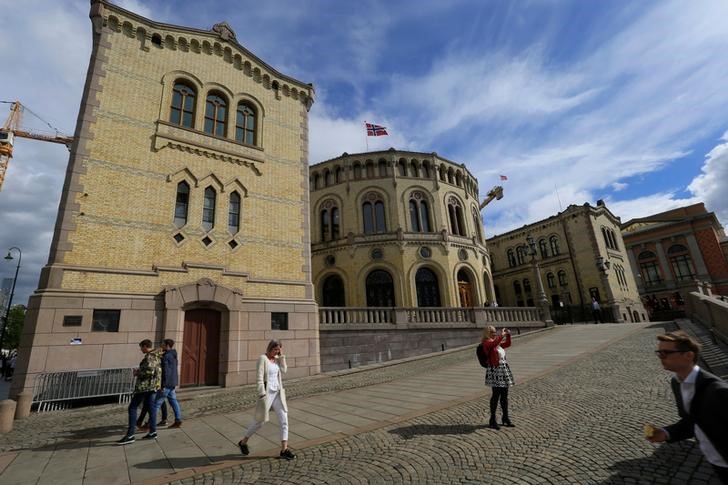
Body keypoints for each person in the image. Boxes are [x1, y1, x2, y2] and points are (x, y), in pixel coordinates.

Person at [646, 330, 728, 483]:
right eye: (659, 353)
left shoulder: (718, 390)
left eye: (666, 353)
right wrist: (666, 433)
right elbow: (692, 421)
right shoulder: (676, 383)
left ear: (689, 355)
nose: (661, 357)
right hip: (716, 461)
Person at [237, 339, 295, 460]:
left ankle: (284, 449)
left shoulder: (277, 359)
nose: (276, 352)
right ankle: (243, 442)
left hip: (278, 394)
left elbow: (284, 370)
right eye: (275, 349)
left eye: (278, 350)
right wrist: (262, 393)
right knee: (260, 422)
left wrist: (281, 356)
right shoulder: (262, 359)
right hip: (267, 394)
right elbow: (259, 378)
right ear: (270, 348)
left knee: (284, 419)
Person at [117, 339, 162, 445]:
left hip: (145, 387)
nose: (141, 349)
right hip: (153, 386)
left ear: (146, 346)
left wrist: (138, 372)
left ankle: (130, 435)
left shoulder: (150, 356)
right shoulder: (157, 356)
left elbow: (149, 370)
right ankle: (153, 431)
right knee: (151, 408)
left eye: (141, 347)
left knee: (132, 407)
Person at [482, 326, 515, 430]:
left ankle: (505, 417)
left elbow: (507, 344)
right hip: (495, 371)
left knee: (504, 395)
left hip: (503, 369)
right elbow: (493, 344)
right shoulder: (486, 342)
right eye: (493, 332)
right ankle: (492, 419)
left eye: (495, 332)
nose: (495, 334)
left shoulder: (496, 342)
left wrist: (508, 335)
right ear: (487, 333)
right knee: (496, 395)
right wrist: (502, 335)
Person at [153, 339, 183, 428]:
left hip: (167, 383)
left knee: (157, 403)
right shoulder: (173, 354)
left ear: (167, 345)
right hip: (172, 382)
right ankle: (178, 420)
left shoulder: (166, 356)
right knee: (173, 401)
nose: (161, 345)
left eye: (162, 343)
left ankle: (150, 424)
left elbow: (165, 372)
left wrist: (163, 385)